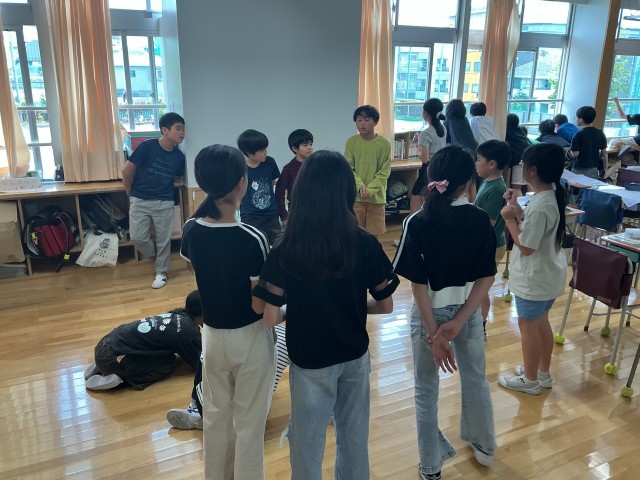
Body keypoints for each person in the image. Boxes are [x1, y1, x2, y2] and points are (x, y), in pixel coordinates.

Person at [252, 150, 399, 480]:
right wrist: (351, 305)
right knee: (354, 440)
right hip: (355, 356)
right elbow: (386, 304)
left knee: (307, 445)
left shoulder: (286, 245)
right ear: (346, 191)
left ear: (302, 193)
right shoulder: (364, 241)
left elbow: (270, 317)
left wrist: (295, 309)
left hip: (310, 360)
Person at [393, 145, 497, 480]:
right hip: (467, 314)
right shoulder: (480, 219)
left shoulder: (416, 221)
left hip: (429, 315)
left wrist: (433, 332)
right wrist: (460, 320)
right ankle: (485, 447)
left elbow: (418, 286)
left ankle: (430, 468)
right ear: (468, 182)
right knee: (476, 379)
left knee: (426, 390)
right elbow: (487, 278)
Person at [181, 144, 275, 480]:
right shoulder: (253, 237)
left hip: (212, 336)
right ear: (241, 183)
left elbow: (197, 274)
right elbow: (258, 303)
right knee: (249, 423)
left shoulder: (191, 228)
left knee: (216, 417)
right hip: (249, 338)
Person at [498, 143, 568, 395]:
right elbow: (534, 229)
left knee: (528, 326)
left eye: (523, 165)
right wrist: (517, 209)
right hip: (548, 274)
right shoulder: (549, 197)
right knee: (540, 323)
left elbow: (527, 246)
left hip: (535, 278)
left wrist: (509, 220)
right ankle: (541, 372)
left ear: (532, 170)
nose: (521, 168)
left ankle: (529, 380)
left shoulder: (540, 205)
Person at [167, 323, 290, 430]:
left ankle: (198, 410)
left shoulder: (228, 334)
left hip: (224, 406)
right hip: (256, 409)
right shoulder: (285, 336)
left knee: (205, 356)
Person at [83, 290, 202, 390]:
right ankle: (121, 379)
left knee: (156, 349)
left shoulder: (177, 315)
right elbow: (198, 362)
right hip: (111, 360)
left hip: (106, 343)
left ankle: (102, 364)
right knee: (169, 363)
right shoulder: (188, 331)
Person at [122, 112, 185, 289]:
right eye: (178, 129)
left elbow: (177, 177)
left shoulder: (179, 157)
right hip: (140, 199)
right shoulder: (147, 146)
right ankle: (156, 258)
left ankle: (162, 272)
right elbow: (126, 170)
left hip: (164, 200)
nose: (182, 133)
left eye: (183, 129)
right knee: (138, 237)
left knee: (164, 239)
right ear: (165, 130)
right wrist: (130, 192)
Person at [474, 140, 511, 339]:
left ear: (492, 164)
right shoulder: (488, 182)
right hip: (484, 244)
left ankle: (481, 326)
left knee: (480, 289)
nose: (476, 163)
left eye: (479, 159)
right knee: (477, 287)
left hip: (491, 246)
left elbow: (488, 222)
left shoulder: (497, 188)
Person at [344, 105, 392, 237]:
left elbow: (384, 172)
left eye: (367, 120)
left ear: (375, 122)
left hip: (376, 198)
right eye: (359, 120)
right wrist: (360, 186)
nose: (362, 123)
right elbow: (348, 168)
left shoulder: (384, 144)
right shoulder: (351, 142)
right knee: (355, 232)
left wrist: (370, 189)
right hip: (356, 197)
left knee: (374, 235)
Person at [237, 129, 281, 244]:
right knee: (254, 246)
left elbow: (272, 183)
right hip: (251, 216)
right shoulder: (240, 167)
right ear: (248, 152)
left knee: (276, 246)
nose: (265, 153)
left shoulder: (270, 162)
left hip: (271, 214)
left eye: (265, 149)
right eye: (261, 150)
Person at [410, 98, 447, 213]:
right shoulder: (443, 129)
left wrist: (418, 143)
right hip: (441, 168)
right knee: (432, 201)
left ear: (425, 112)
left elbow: (425, 159)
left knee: (416, 199)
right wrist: (419, 142)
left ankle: (412, 222)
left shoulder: (426, 133)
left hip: (428, 170)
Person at [275, 129, 313, 222]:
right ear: (295, 148)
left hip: (318, 212)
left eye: (311, 144)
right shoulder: (288, 169)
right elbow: (279, 193)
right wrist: (284, 217)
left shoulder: (316, 164)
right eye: (305, 145)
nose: (310, 148)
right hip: (297, 214)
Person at [445, 99, 480, 199]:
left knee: (463, 183)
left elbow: (447, 140)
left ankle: (464, 204)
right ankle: (473, 205)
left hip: (462, 153)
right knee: (472, 181)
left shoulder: (449, 119)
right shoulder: (464, 119)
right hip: (474, 150)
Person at [571, 106, 608, 179]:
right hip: (594, 168)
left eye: (576, 117)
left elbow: (575, 154)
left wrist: (570, 151)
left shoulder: (578, 134)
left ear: (581, 120)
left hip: (579, 169)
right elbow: (605, 153)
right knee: (590, 185)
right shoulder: (600, 133)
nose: (575, 119)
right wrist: (605, 169)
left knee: (575, 185)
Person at [505, 114, 532, 189]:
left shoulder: (506, 131)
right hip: (528, 159)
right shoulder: (520, 130)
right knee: (527, 185)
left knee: (516, 188)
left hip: (518, 161)